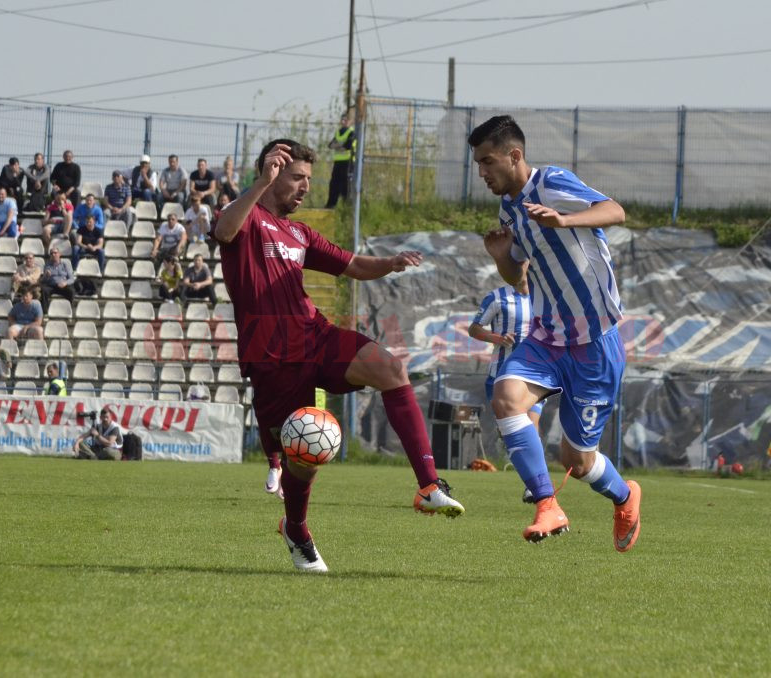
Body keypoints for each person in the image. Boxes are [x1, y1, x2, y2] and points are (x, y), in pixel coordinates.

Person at [214, 138, 464, 573]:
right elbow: (223, 231)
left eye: (309, 179)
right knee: (303, 460)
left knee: (390, 367)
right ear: (272, 172)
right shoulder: (247, 216)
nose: (306, 187)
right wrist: (260, 184)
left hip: (315, 335)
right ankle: (296, 529)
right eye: (297, 178)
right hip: (271, 356)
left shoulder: (299, 232)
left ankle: (428, 486)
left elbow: (353, 265)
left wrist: (391, 262)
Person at [469, 115, 641, 549]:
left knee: (578, 461)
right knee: (506, 399)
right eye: (478, 165)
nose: (483, 173)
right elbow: (517, 274)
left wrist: (564, 220)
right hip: (548, 336)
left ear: (515, 155)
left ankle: (625, 497)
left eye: (488, 162)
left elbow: (615, 210)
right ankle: (547, 505)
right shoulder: (509, 209)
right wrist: (501, 256)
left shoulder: (552, 183)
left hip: (595, 342)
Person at [467, 276, 542, 503]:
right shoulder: (498, 297)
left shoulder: (545, 296)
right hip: (501, 373)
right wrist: (496, 338)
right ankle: (533, 479)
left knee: (531, 424)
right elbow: (474, 329)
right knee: (509, 432)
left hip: (534, 372)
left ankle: (535, 486)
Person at [325, 113, 355, 208]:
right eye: (342, 119)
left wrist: (337, 146)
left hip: (348, 162)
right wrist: (339, 146)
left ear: (350, 121)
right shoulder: (338, 132)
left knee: (345, 185)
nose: (343, 122)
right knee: (334, 183)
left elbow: (347, 146)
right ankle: (331, 204)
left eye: (345, 120)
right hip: (338, 162)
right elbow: (330, 145)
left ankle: (346, 206)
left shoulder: (352, 132)